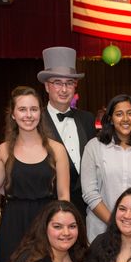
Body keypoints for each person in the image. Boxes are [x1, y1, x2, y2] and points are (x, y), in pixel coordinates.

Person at [0, 86, 70, 262]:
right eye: (22, 109)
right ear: (13, 114)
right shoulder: (4, 150)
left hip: (47, 222)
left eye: (33, 109)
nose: (28, 115)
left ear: (40, 113)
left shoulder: (57, 150)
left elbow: (64, 195)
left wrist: (61, 228)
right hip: (13, 223)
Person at [81, 94, 131, 242]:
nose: (125, 119)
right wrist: (114, 223)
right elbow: (90, 193)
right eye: (119, 114)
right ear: (110, 119)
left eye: (130, 113)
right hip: (100, 231)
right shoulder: (93, 147)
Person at [37, 46, 96, 215]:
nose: (64, 89)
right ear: (47, 87)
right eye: (58, 83)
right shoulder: (36, 121)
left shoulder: (87, 119)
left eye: (69, 83)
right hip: (48, 209)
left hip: (86, 211)